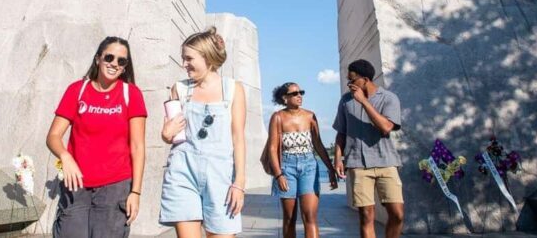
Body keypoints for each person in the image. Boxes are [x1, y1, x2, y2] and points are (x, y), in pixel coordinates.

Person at [46, 36, 148, 238]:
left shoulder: (131, 94)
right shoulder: (77, 90)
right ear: (98, 59)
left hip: (115, 188)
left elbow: (138, 147)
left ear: (126, 66)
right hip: (76, 186)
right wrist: (65, 157)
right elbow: (53, 136)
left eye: (121, 61)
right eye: (109, 57)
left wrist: (135, 193)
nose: (114, 64)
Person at [159, 27, 247, 237]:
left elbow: (238, 139)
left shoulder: (234, 89)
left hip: (221, 177)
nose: (184, 64)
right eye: (183, 58)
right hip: (182, 173)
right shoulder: (179, 89)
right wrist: (165, 133)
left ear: (207, 57)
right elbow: (171, 135)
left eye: (189, 58)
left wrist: (240, 183)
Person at [333, 59, 404, 238]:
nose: (349, 84)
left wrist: (364, 102)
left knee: (397, 215)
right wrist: (338, 158)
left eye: (352, 80)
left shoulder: (389, 98)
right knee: (366, 216)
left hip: (386, 162)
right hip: (358, 164)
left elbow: (386, 127)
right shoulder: (345, 101)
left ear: (365, 79)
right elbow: (341, 132)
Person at [267, 82, 338, 238]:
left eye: (301, 92)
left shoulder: (310, 116)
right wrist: (279, 175)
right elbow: (272, 148)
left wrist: (330, 169)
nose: (299, 95)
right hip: (286, 167)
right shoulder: (278, 117)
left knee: (310, 217)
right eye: (294, 93)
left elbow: (318, 144)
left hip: (309, 166)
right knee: (290, 219)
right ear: (285, 98)